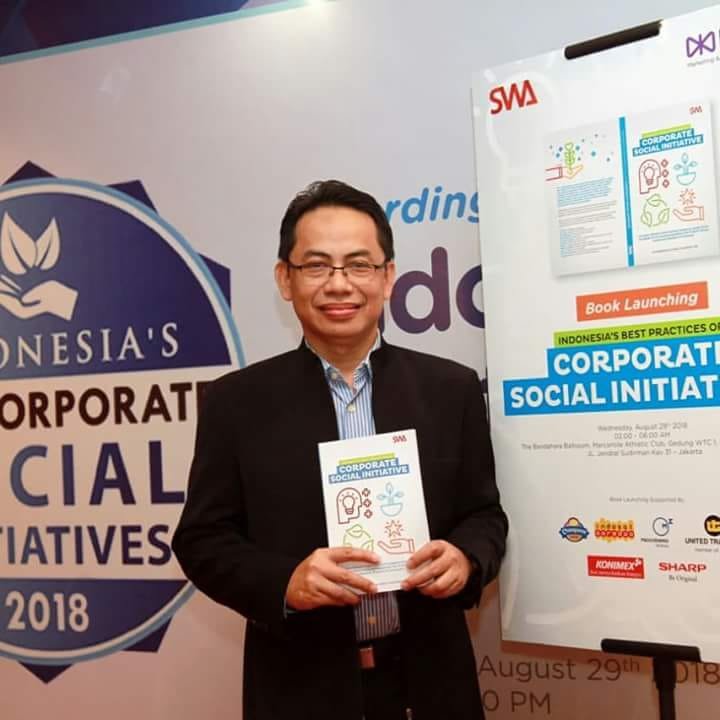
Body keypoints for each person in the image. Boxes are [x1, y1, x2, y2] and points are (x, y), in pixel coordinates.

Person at [172, 180, 507, 720]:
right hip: (299, 689)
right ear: (285, 278)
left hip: (431, 685)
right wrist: (285, 582)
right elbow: (201, 540)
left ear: (388, 277)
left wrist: (466, 558)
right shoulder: (236, 403)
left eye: (358, 265)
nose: (339, 284)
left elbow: (485, 515)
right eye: (316, 266)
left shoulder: (451, 390)